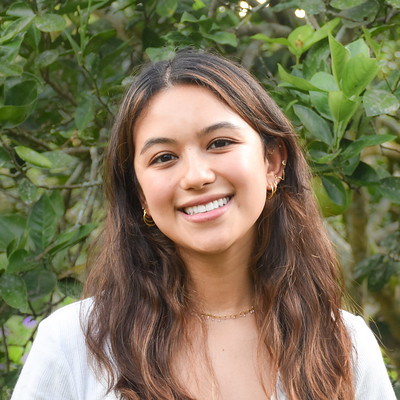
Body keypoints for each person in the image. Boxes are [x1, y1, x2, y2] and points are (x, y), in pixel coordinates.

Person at [11, 50, 396, 400]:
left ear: (272, 162)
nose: (196, 176)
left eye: (219, 143)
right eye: (163, 157)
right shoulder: (74, 343)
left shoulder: (344, 347)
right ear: (141, 194)